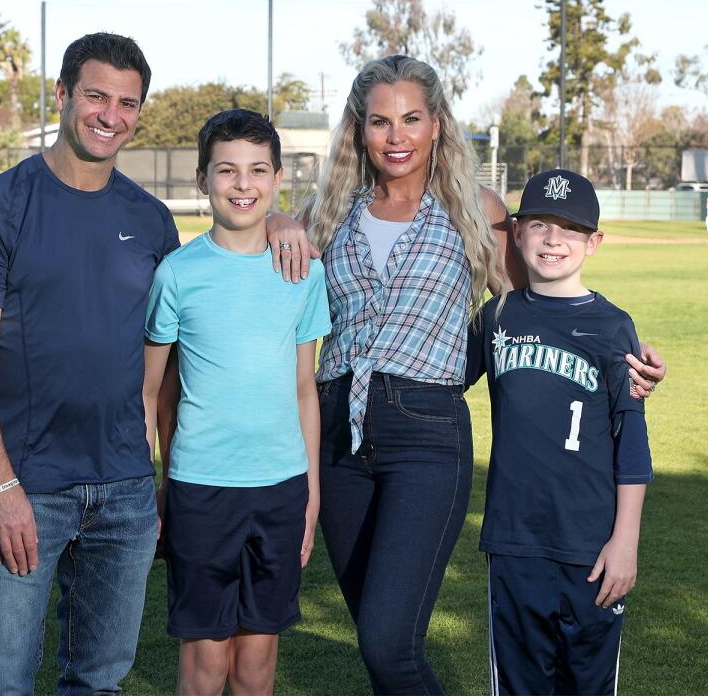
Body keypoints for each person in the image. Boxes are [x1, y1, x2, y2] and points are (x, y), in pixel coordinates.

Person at [266, 55, 666, 695]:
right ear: (358, 129)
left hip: (426, 435)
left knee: (389, 641)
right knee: (376, 640)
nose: (396, 137)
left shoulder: (474, 208)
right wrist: (275, 220)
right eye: (379, 122)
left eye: (411, 119)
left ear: (437, 124)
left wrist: (621, 352)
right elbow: (251, 266)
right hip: (338, 434)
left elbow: (539, 298)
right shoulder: (325, 212)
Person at [0, 33, 178, 695]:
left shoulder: (153, 221)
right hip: (28, 488)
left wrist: (164, 477)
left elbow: (169, 372)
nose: (110, 114)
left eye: (127, 102)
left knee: (100, 681)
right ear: (63, 95)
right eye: (96, 95)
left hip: (127, 492)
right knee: (1, 680)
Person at [142, 109, 330, 696]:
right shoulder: (177, 274)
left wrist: (311, 494)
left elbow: (304, 390)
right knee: (205, 666)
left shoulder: (303, 273)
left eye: (256, 171)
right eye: (226, 171)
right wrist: (150, 489)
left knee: (255, 666)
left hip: (281, 489)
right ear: (203, 180)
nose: (242, 184)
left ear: (276, 180)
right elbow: (149, 394)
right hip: (202, 489)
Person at [466, 168, 652, 696]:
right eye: (540, 225)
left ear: (593, 242)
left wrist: (626, 540)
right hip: (515, 541)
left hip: (591, 546)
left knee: (588, 684)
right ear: (518, 233)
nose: (553, 240)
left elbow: (631, 441)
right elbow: (442, 380)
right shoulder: (497, 317)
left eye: (569, 229)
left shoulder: (613, 326)